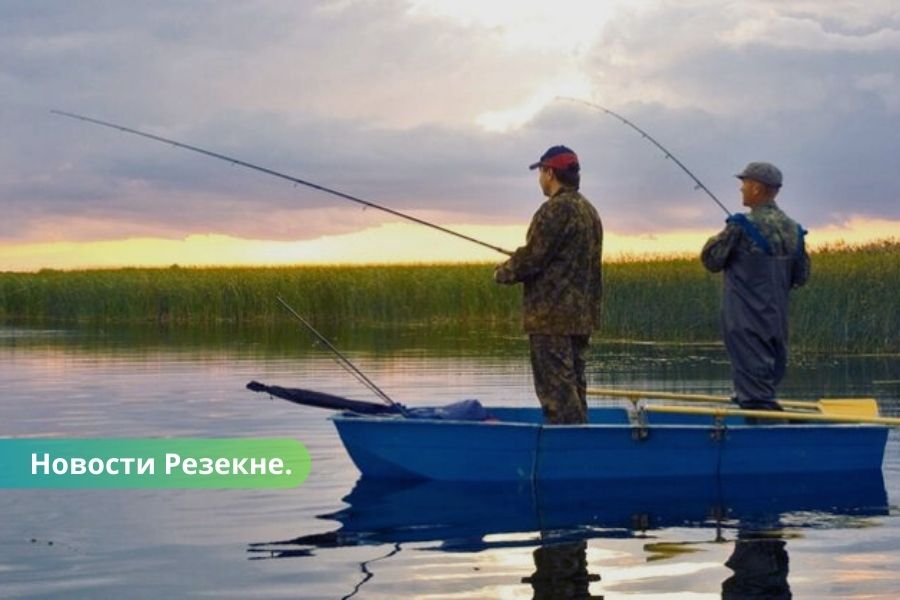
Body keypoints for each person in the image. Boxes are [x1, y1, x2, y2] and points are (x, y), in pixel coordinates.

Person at [494, 145, 603, 425]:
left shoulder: (554, 210)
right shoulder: (589, 211)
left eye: (541, 172)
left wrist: (503, 272)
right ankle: (582, 446)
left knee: (557, 394)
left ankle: (569, 454)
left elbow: (532, 258)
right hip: (581, 318)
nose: (540, 179)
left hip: (551, 319)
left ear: (550, 173)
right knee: (575, 388)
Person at [701, 162, 810, 411]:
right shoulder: (795, 230)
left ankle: (760, 437)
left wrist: (714, 239)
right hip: (777, 322)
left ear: (758, 188)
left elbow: (712, 260)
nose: (741, 190)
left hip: (745, 321)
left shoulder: (740, 226)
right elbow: (801, 276)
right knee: (764, 385)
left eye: (744, 184)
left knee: (755, 397)